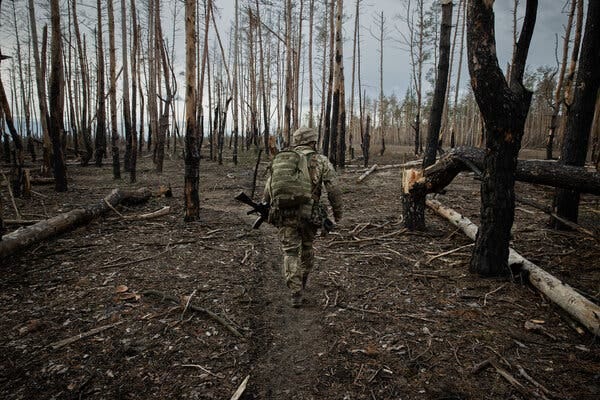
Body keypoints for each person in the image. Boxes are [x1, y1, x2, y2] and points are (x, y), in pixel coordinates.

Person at [263, 127, 343, 307]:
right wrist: (338, 214)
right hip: (309, 214)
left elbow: (268, 189)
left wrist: (266, 205)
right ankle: (303, 281)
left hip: (284, 213)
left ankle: (295, 292)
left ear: (297, 141)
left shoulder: (282, 160)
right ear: (313, 141)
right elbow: (334, 189)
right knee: (307, 247)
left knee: (290, 252)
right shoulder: (320, 160)